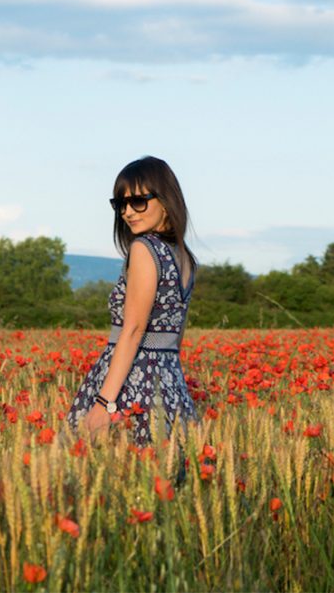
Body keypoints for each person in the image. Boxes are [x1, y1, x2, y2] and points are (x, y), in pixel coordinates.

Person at [65, 155, 200, 474]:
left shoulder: (144, 249)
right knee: (164, 484)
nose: (127, 211)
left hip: (130, 384)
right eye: (120, 204)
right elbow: (174, 339)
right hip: (169, 385)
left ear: (165, 201)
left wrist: (103, 404)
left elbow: (134, 329)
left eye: (138, 201)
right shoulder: (187, 259)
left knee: (100, 478)